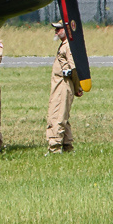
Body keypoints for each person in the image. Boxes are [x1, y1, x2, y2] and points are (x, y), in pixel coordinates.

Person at [45, 22, 79, 154]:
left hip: (63, 85)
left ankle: (54, 148)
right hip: (59, 84)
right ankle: (67, 146)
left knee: (57, 115)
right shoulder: (64, 45)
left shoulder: (68, 46)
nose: (56, 31)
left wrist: (77, 87)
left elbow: (74, 69)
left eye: (59, 29)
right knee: (63, 115)